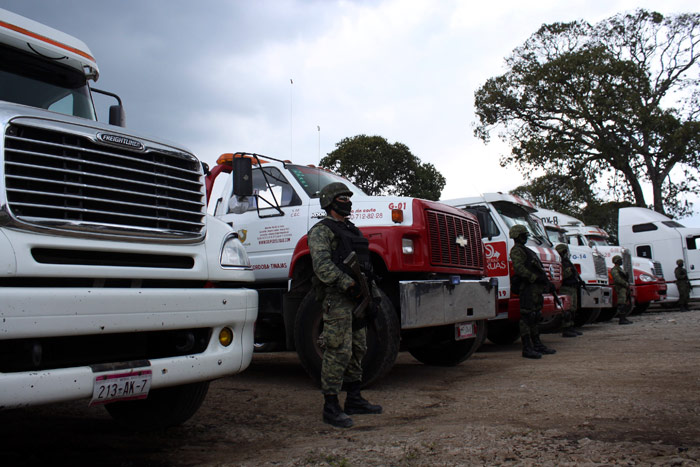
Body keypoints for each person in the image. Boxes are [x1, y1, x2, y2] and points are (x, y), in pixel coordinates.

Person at [308, 182, 382, 428]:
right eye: (342, 198)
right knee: (338, 349)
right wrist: (347, 284)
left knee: (358, 348)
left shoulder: (353, 231)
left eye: (349, 198)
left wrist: (371, 295)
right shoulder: (321, 231)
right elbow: (322, 266)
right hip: (338, 298)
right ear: (330, 202)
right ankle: (330, 406)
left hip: (358, 298)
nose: (348, 202)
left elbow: (364, 268)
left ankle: (354, 398)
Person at [509, 224, 557, 359]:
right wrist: (535, 278)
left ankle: (537, 344)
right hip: (528, 288)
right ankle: (527, 348)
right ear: (518, 236)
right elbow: (519, 269)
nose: (526, 238)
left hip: (535, 289)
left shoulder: (527, 251)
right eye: (524, 235)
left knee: (536, 316)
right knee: (527, 317)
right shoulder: (517, 251)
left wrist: (546, 282)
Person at [555, 243, 582, 338]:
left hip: (572, 287)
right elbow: (561, 276)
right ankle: (566, 329)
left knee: (573, 308)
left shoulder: (567, 261)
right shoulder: (560, 262)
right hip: (566, 287)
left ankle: (571, 327)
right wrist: (568, 272)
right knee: (567, 310)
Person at [611, 255, 633, 325]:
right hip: (620, 288)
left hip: (624, 287)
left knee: (625, 302)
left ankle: (624, 317)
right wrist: (625, 284)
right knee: (621, 303)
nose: (621, 261)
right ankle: (622, 319)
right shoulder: (615, 270)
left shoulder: (620, 269)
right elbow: (617, 279)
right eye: (620, 260)